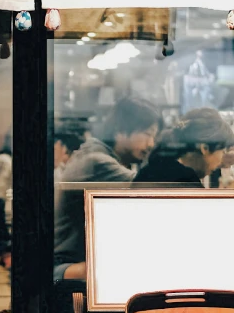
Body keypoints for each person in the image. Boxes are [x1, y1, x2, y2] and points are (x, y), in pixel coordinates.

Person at [53, 96, 160, 282]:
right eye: (147, 134)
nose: (151, 144)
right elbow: (160, 189)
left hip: (77, 262)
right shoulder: (97, 162)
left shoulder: (106, 157)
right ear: (120, 131)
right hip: (64, 268)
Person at [135, 108, 234, 186]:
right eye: (223, 150)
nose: (222, 159)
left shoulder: (151, 169)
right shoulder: (186, 182)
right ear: (205, 148)